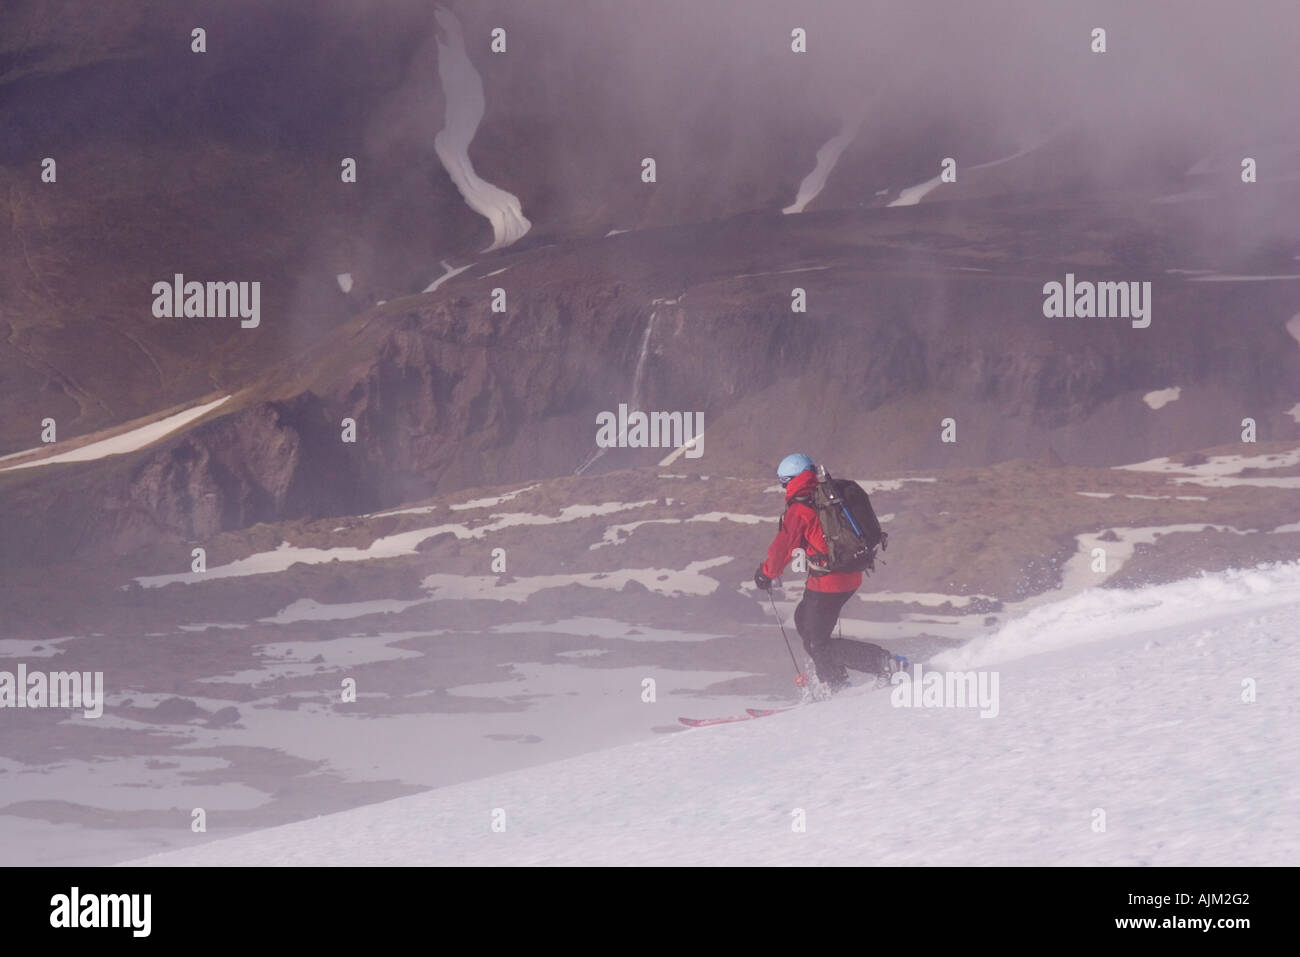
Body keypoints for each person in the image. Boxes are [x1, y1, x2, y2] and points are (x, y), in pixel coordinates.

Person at [753, 453, 895, 691]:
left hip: (829, 581)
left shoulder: (801, 508)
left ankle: (879, 665)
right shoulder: (832, 495)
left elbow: (783, 547)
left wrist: (766, 574)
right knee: (803, 620)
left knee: (816, 642)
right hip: (851, 572)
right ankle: (835, 679)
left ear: (789, 481)